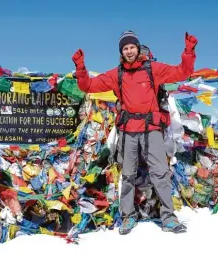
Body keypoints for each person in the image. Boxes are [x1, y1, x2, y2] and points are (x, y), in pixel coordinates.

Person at [72, 30, 197, 235]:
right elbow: (89, 85)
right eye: (125, 48)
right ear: (121, 51)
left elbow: (182, 72)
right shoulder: (116, 74)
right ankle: (128, 217)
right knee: (128, 175)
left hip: (151, 130)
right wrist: (80, 67)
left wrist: (189, 51)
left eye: (132, 47)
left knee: (160, 173)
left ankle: (168, 218)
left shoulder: (153, 69)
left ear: (138, 48)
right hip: (128, 131)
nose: (129, 51)